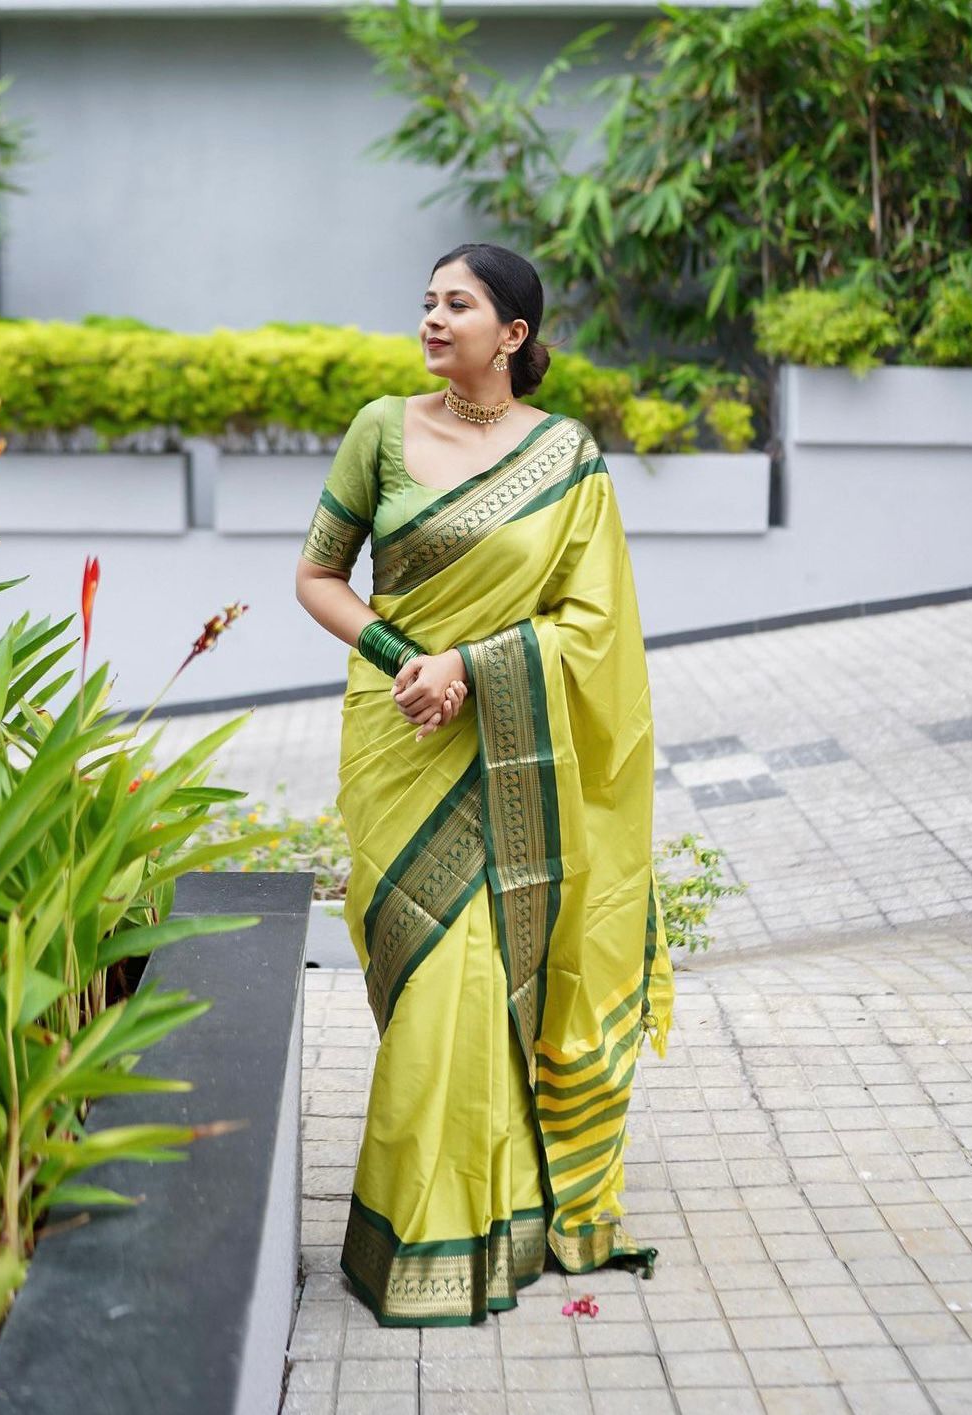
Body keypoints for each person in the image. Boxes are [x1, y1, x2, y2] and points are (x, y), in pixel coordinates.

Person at [294, 241, 675, 1327]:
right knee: (420, 976)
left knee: (473, 980)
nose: (431, 318)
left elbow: (594, 627)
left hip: (506, 737)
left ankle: (460, 1232)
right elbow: (318, 576)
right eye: (425, 301)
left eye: (456, 303)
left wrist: (474, 666)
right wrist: (402, 659)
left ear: (512, 334)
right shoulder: (379, 429)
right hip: (398, 740)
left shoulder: (566, 457)